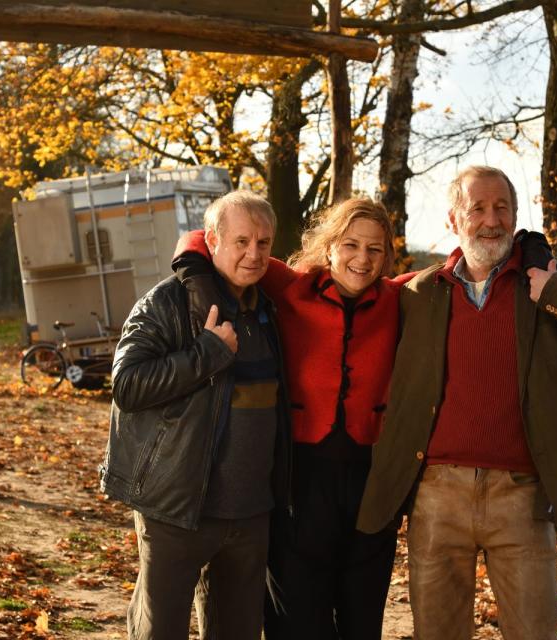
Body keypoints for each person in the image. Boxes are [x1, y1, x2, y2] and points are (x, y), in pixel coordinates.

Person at [356, 165, 557, 640]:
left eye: (502, 208)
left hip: (522, 496)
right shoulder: (419, 292)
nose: (491, 220)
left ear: (516, 215)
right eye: (477, 208)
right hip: (437, 495)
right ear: (454, 219)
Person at [174, 198, 402, 639]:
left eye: (375, 249)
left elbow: (456, 270)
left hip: (370, 483)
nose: (362, 259)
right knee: (297, 616)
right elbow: (199, 240)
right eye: (351, 244)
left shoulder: (401, 298)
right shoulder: (291, 286)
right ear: (330, 245)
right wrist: (199, 286)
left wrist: (531, 250)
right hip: (299, 476)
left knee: (362, 616)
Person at [100, 190, 291, 640]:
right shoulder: (165, 303)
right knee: (160, 631)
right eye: (242, 240)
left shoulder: (268, 307)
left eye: (264, 243)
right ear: (213, 240)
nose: (253, 253)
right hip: (178, 507)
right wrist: (206, 353)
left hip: (249, 513)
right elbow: (127, 386)